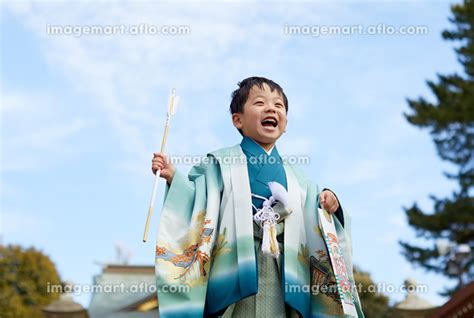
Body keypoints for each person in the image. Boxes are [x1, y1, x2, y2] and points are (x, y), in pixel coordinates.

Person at [151, 77, 364, 317]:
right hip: (234, 263)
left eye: (279, 105)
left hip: (284, 269)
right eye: (260, 103)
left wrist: (329, 203)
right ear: (238, 120)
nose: (271, 108)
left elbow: (319, 215)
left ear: (285, 124)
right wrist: (174, 178)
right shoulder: (221, 163)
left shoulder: (300, 181)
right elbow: (197, 200)